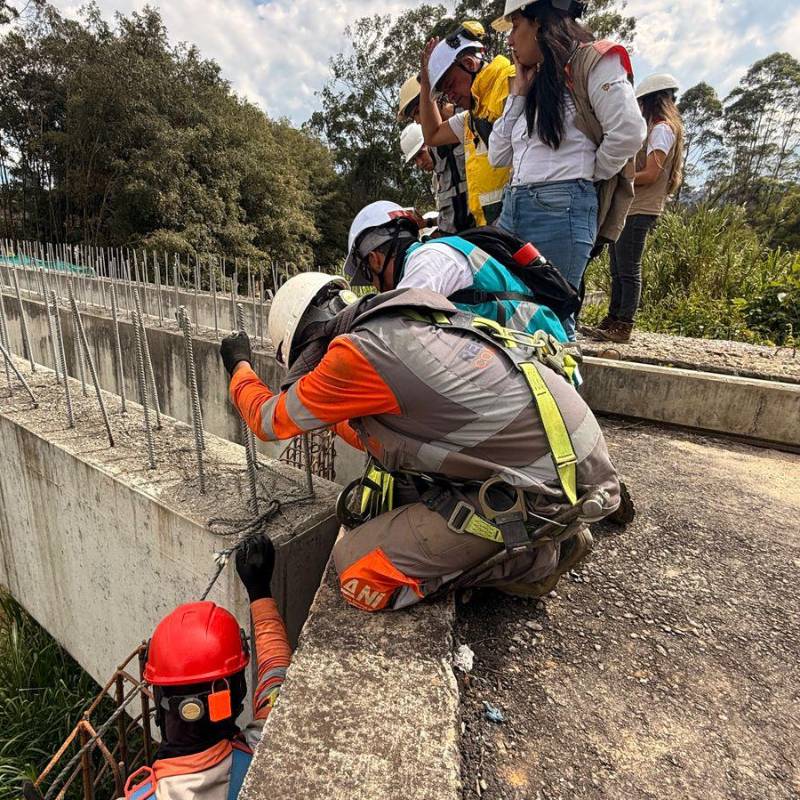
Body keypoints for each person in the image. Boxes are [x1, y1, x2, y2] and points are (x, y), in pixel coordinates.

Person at [219, 273, 621, 612]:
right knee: (404, 488)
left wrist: (239, 365)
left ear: (309, 339)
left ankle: (535, 557)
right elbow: (387, 437)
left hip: (549, 488)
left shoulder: (356, 355)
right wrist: (327, 422)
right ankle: (539, 528)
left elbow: (268, 421)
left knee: (358, 573)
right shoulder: (402, 323)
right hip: (569, 455)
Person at [487, 0, 646, 339]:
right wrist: (518, 96)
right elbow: (498, 156)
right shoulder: (531, 83)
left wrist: (589, 174)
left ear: (540, 23)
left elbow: (630, 131)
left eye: (516, 26)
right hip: (514, 206)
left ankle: (561, 392)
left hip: (561, 207)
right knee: (509, 317)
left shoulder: (593, 60)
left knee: (552, 324)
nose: (511, 41)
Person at [122, 536, 290, 799]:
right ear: (236, 694)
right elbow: (276, 676)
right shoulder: (263, 750)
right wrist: (259, 592)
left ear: (160, 700)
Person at [343, 199, 572, 346]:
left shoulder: (429, 258)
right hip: (531, 361)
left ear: (375, 259)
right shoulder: (436, 254)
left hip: (545, 368)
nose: (376, 288)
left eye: (371, 279)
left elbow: (393, 332)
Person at [586, 73, 684, 343]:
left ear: (650, 102)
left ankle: (623, 323)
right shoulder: (659, 128)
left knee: (628, 269)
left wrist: (620, 178)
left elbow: (651, 174)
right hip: (634, 207)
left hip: (641, 208)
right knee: (618, 267)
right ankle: (613, 318)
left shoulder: (662, 129)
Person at [417, 23, 516, 227]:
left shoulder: (510, 85)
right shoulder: (472, 116)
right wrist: (426, 81)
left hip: (518, 222)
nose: (450, 96)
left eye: (451, 85)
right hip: (495, 227)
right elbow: (432, 135)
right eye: (444, 92)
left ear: (469, 64)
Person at [398, 75, 473, 234]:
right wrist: (427, 223)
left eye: (419, 111)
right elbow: (451, 209)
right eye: (414, 116)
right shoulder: (437, 152)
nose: (418, 121)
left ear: (436, 99)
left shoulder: (471, 119)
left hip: (488, 232)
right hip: (458, 243)